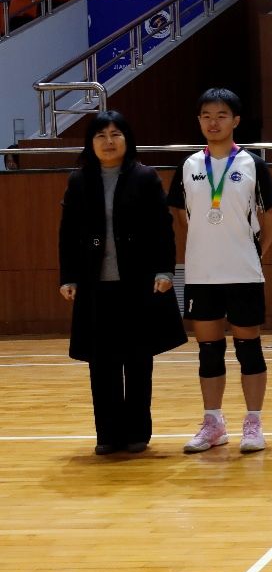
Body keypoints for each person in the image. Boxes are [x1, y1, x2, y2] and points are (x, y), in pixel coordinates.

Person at [58, 111, 185, 455]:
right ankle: (108, 435)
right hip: (94, 285)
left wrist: (165, 271)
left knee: (138, 360)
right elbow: (68, 233)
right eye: (101, 135)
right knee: (102, 363)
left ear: (127, 140)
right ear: (91, 143)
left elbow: (162, 228)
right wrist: (68, 276)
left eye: (116, 134)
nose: (109, 141)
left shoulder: (145, 177)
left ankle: (137, 433)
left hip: (138, 283)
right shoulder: (79, 180)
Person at [169, 89, 272, 454]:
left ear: (236, 120)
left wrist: (255, 252)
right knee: (209, 351)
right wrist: (204, 243)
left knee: (249, 349)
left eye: (221, 115)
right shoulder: (189, 165)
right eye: (206, 115)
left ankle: (254, 422)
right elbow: (179, 212)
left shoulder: (252, 164)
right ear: (199, 121)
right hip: (202, 275)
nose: (213, 122)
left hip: (243, 274)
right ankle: (213, 423)